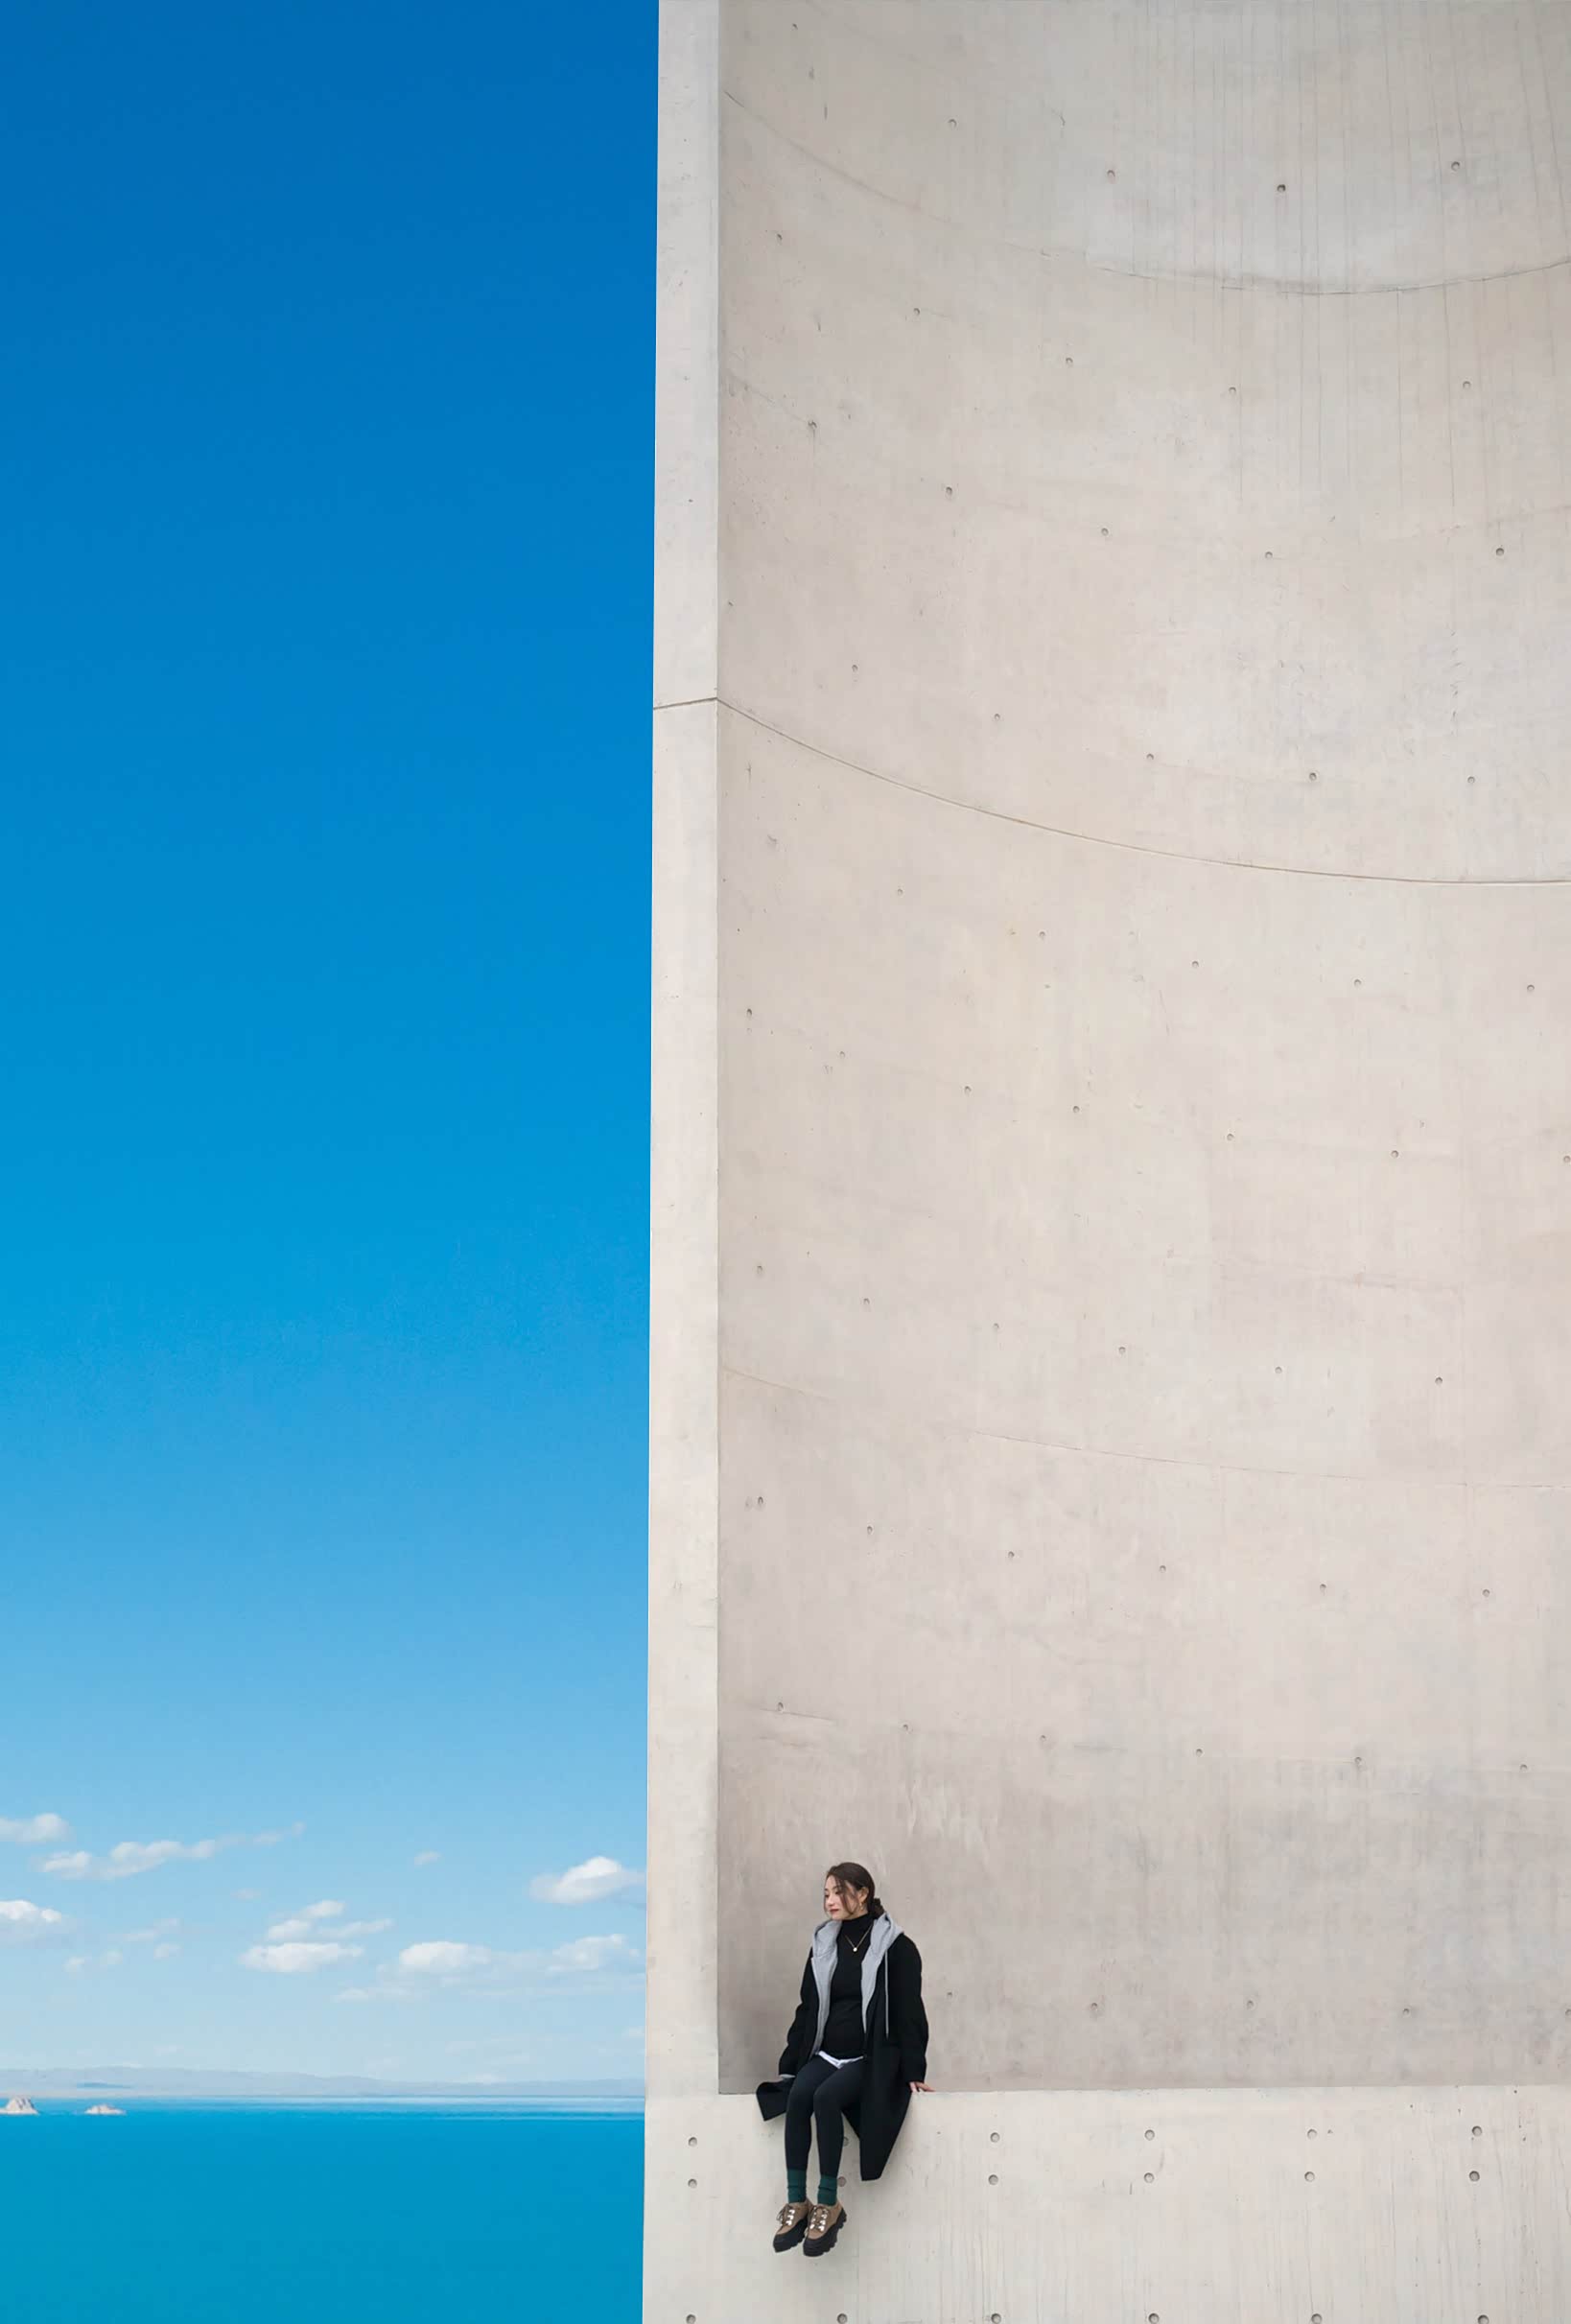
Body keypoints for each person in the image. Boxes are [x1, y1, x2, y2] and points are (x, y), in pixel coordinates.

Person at [755, 1860, 931, 2258]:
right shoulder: (823, 1945)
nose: (830, 1901)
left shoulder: (896, 1948)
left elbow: (910, 2012)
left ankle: (829, 2203)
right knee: (799, 2095)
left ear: (863, 1894)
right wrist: (789, 2064)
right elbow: (807, 2008)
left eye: (838, 1892)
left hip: (869, 2057)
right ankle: (797, 2202)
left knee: (826, 2098)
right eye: (826, 1893)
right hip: (828, 2052)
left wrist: (913, 2070)